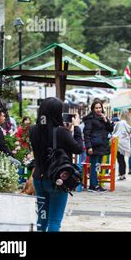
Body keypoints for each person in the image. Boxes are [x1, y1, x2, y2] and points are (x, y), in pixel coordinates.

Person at [29, 97, 83, 232]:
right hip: (56, 180)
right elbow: (78, 149)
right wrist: (76, 128)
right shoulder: (61, 131)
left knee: (42, 220)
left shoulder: (33, 130)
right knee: (54, 221)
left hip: (38, 180)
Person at [83, 99, 114, 192]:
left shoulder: (103, 118)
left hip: (102, 146)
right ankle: (93, 185)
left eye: (100, 107)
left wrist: (106, 120)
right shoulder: (90, 119)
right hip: (94, 146)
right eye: (96, 108)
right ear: (93, 109)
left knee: (97, 166)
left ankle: (96, 184)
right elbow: (86, 134)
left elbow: (110, 129)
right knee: (94, 166)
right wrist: (89, 147)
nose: (98, 109)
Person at [112, 110, 131, 180]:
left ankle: (121, 174)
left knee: (119, 160)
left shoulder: (120, 123)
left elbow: (115, 131)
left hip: (118, 144)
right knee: (122, 159)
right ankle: (123, 174)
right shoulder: (129, 124)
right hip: (125, 144)